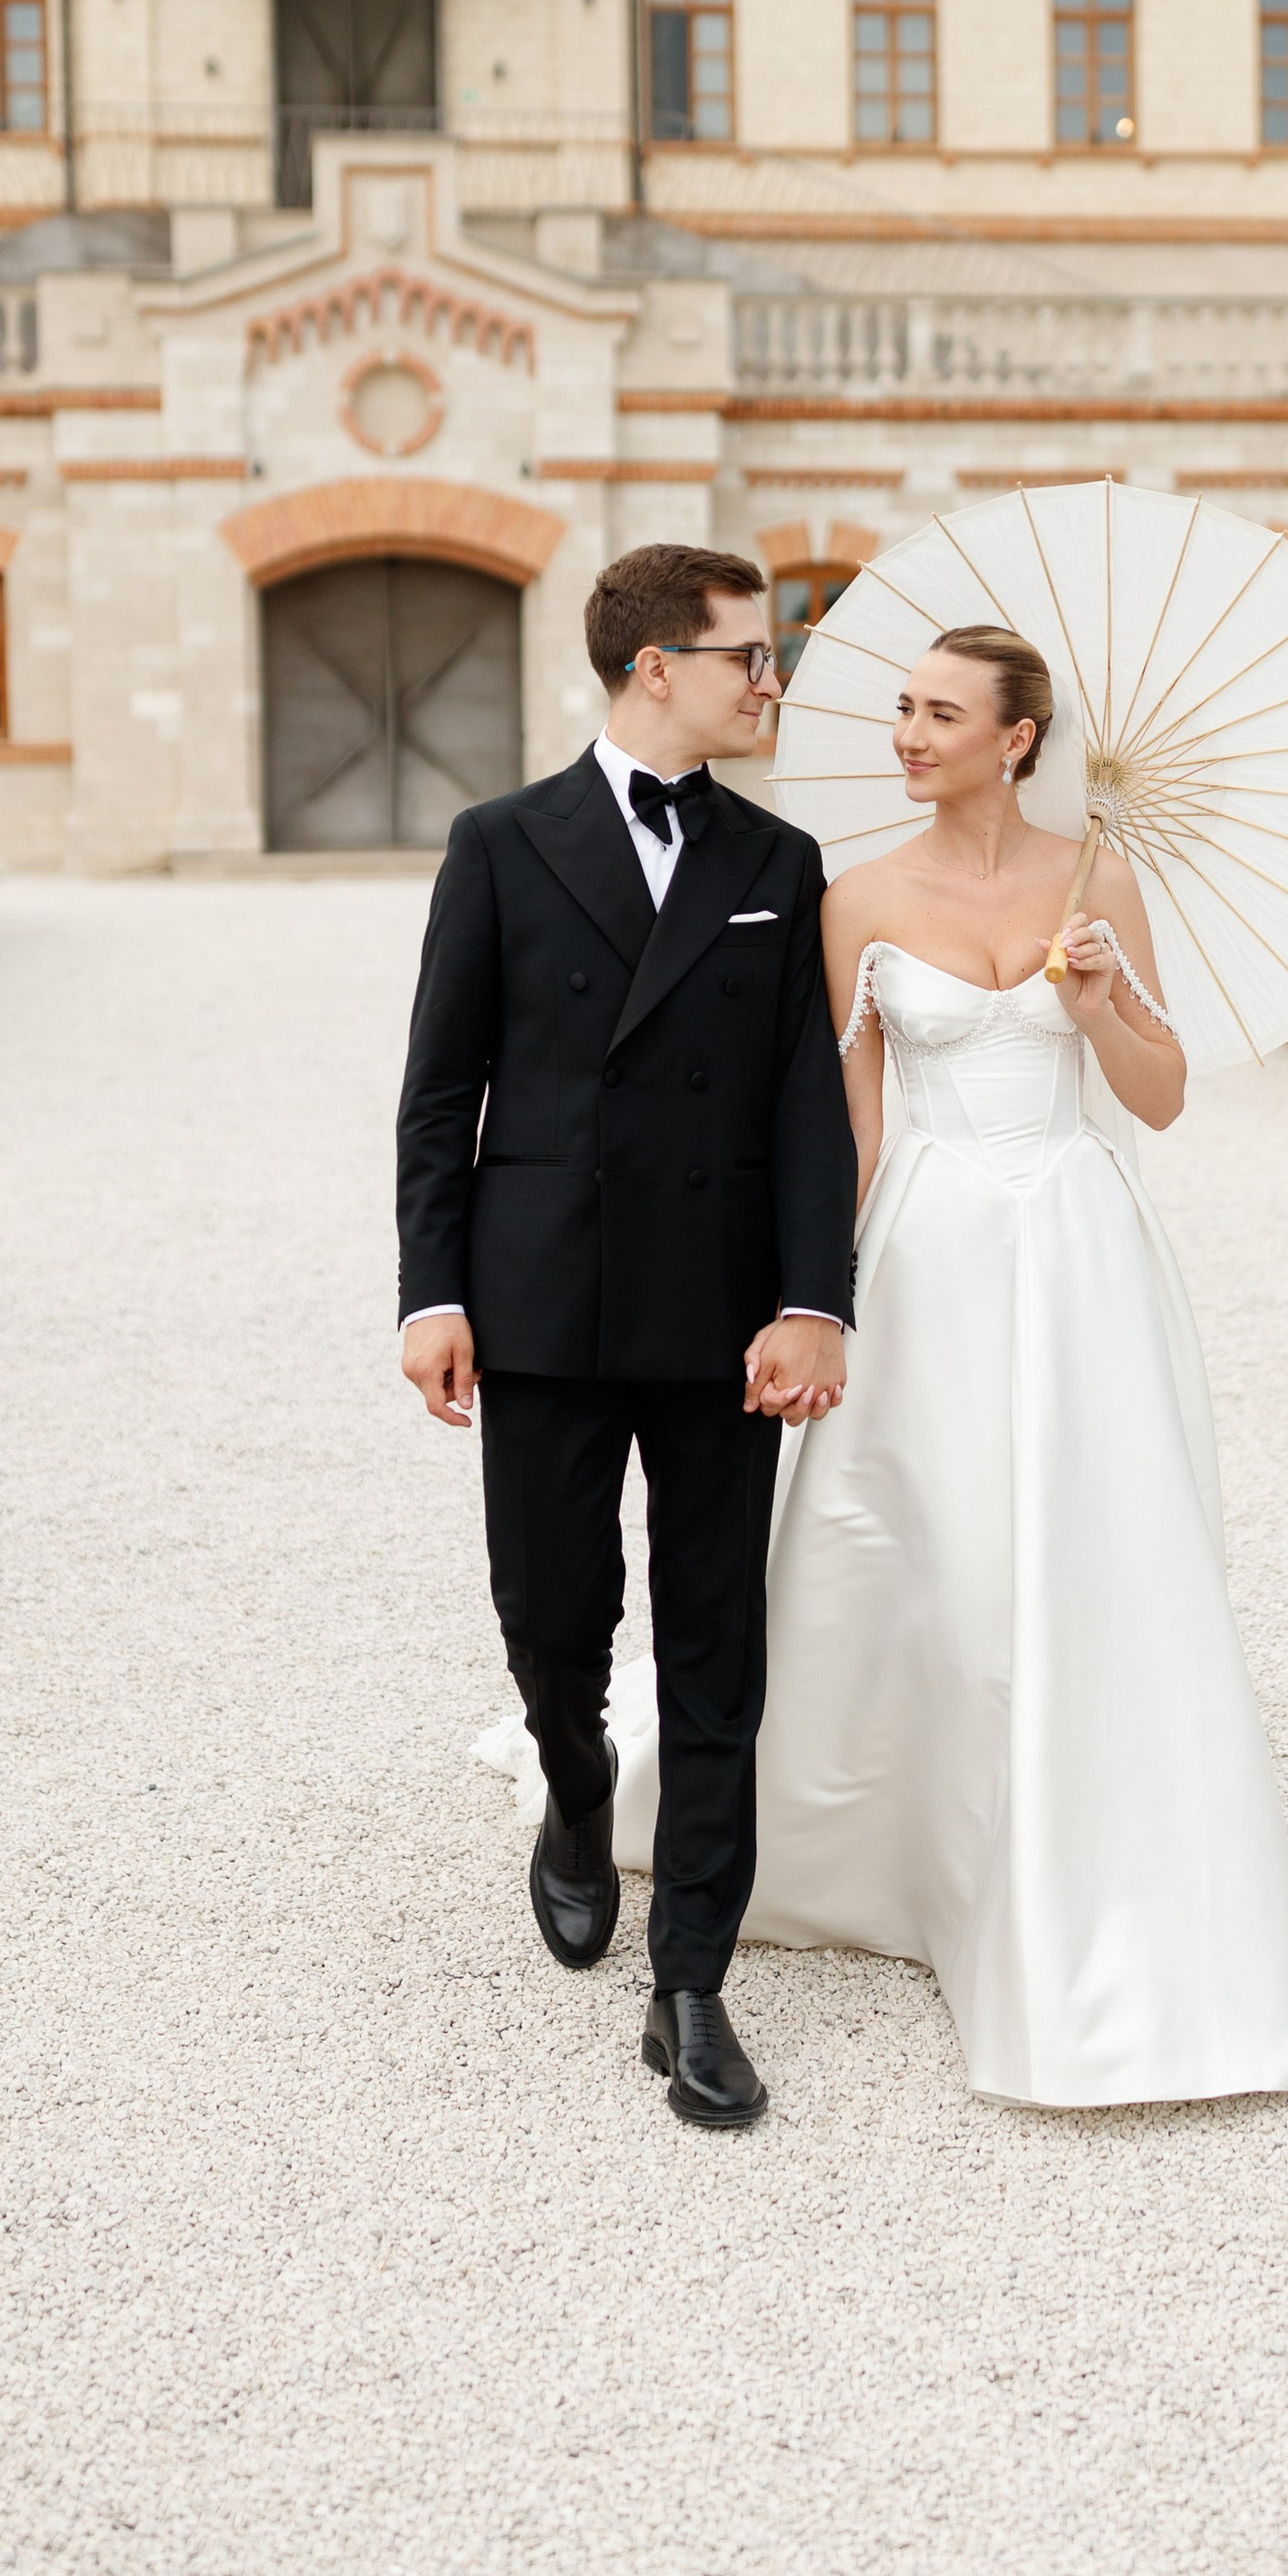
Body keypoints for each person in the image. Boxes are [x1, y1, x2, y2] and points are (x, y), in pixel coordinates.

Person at [607, 623, 1288, 2108]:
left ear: (1019, 738)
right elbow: (845, 1132)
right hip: (928, 1254)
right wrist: (817, 1298)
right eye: (905, 711)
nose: (909, 735)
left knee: (1090, 1546)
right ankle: (898, 1839)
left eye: (941, 715)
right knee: (921, 1544)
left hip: (1078, 1249)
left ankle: (1084, 1847)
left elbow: (1161, 1100)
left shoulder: (1097, 878)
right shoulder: (853, 896)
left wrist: (1106, 992)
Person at [396, 545, 853, 2133]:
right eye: (748, 655)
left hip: (724, 1316)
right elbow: (442, 1090)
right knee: (548, 1607)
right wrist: (430, 1290)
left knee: (717, 1641)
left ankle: (690, 1982)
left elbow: (809, 1108)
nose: (770, 680)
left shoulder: (782, 862)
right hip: (542, 1300)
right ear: (656, 665)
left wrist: (815, 1298)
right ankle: (577, 1783)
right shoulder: (501, 843)